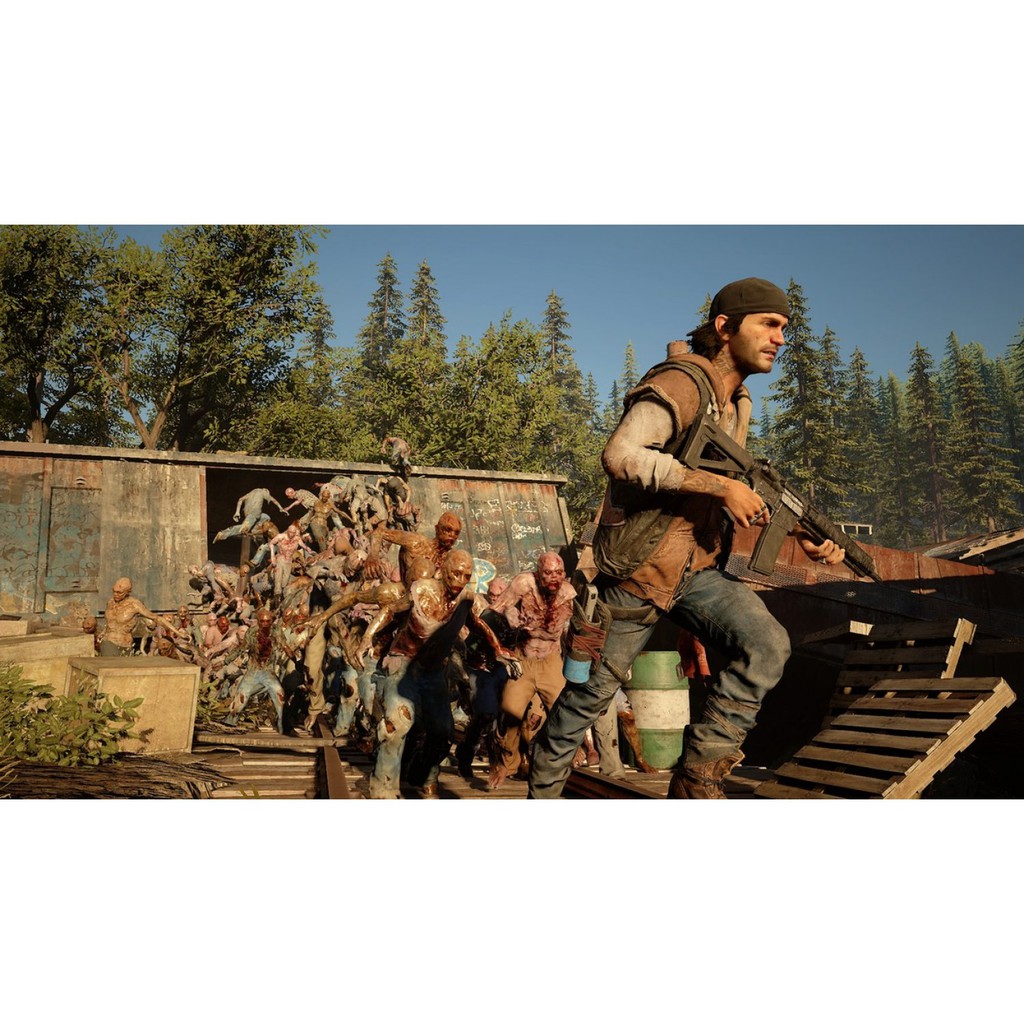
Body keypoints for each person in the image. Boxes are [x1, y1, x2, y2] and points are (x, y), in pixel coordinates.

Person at [529, 277, 847, 800]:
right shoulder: (681, 383)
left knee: (767, 644)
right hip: (636, 575)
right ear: (725, 328)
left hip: (695, 574)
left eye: (785, 328)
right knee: (585, 703)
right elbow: (621, 454)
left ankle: (697, 777)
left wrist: (801, 536)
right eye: (769, 324)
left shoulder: (736, 403)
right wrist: (721, 487)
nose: (780, 338)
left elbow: (731, 490)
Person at [362, 548, 521, 799]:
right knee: (398, 723)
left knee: (443, 733)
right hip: (404, 663)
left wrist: (498, 649)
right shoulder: (421, 590)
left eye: (466, 575)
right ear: (443, 571)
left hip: (434, 671)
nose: (460, 580)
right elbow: (390, 611)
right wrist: (367, 637)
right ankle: (383, 786)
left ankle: (423, 774)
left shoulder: (465, 598)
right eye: (456, 573)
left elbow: (476, 624)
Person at [487, 551, 576, 790]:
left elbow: (574, 630)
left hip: (550, 659)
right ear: (538, 573)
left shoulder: (569, 594)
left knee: (563, 713)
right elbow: (498, 608)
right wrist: (511, 615)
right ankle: (509, 764)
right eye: (548, 573)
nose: (554, 578)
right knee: (510, 712)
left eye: (559, 573)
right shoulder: (524, 583)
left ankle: (558, 762)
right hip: (524, 658)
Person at [97, 576, 183, 657]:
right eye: (114, 591)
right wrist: (103, 632)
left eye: (119, 592)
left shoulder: (134, 604)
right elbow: (111, 621)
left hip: (124, 643)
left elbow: (157, 618)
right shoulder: (110, 602)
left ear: (128, 592)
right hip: (107, 642)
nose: (115, 594)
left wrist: (178, 632)